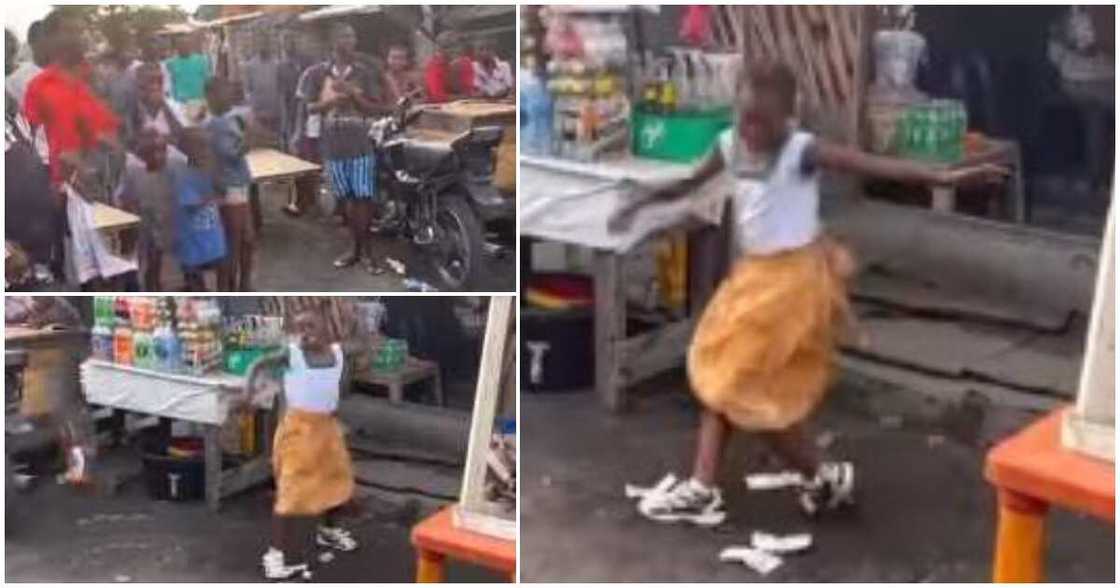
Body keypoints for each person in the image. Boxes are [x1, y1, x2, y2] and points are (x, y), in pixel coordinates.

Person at [609, 62, 1007, 524]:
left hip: (791, 287)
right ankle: (733, 484)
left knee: (742, 391)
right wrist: (642, 202)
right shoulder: (728, 144)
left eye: (764, 121)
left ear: (787, 117)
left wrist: (941, 178)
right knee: (723, 382)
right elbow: (688, 182)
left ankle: (792, 478)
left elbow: (872, 164)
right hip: (751, 282)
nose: (752, 130)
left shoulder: (801, 151)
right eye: (745, 118)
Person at [247, 308, 359, 581]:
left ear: (326, 330)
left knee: (337, 481)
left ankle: (329, 530)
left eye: (311, 327)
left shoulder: (338, 354)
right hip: (297, 433)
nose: (305, 335)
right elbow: (259, 364)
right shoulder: (293, 354)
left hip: (327, 430)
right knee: (291, 494)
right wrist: (248, 392)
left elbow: (340, 383)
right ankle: (275, 555)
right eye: (299, 330)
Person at [299, 23, 384, 273]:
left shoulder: (364, 72)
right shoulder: (316, 73)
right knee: (346, 199)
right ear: (332, 42)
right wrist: (332, 101)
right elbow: (309, 108)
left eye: (352, 36)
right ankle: (354, 249)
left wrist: (353, 95)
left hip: (359, 142)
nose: (350, 41)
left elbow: (373, 107)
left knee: (364, 198)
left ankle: (366, 252)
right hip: (333, 144)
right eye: (344, 36)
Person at [204, 78, 256, 292]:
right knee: (236, 241)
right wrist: (250, 138)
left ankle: (239, 285)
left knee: (243, 240)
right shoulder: (218, 123)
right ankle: (230, 287)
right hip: (231, 186)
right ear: (212, 97)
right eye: (224, 92)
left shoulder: (226, 119)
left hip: (235, 185)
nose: (229, 96)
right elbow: (231, 154)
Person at [114, 129, 178, 291]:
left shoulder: (174, 163)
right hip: (138, 220)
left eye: (161, 151)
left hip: (160, 218)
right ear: (142, 153)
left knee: (156, 258)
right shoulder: (133, 169)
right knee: (138, 259)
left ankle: (154, 284)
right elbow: (123, 198)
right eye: (152, 152)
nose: (157, 156)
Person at [173, 127, 227, 291]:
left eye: (207, 146)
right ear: (187, 150)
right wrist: (213, 196)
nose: (206, 151)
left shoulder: (207, 171)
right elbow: (190, 203)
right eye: (201, 146)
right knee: (195, 278)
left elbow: (222, 192)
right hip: (192, 242)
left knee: (220, 270)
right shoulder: (183, 175)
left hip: (212, 238)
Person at [123, 62, 187, 150]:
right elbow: (129, 141)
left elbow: (181, 136)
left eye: (159, 82)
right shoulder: (130, 108)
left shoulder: (173, 106)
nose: (155, 87)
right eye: (150, 81)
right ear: (139, 85)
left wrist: (163, 105)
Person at [243, 33, 285, 138]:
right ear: (256, 45)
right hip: (258, 112)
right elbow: (247, 89)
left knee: (275, 141)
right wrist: (251, 110)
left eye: (265, 43)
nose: (263, 46)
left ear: (269, 45)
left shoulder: (277, 64)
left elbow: (281, 88)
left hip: (275, 112)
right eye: (260, 43)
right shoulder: (250, 66)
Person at [165, 33, 211, 122]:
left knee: (201, 126)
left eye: (186, 44)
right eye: (180, 45)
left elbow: (207, 80)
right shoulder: (171, 63)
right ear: (176, 47)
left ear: (190, 45)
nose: (183, 47)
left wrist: (207, 101)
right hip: (182, 103)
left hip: (199, 100)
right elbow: (171, 82)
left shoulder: (201, 60)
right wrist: (174, 102)